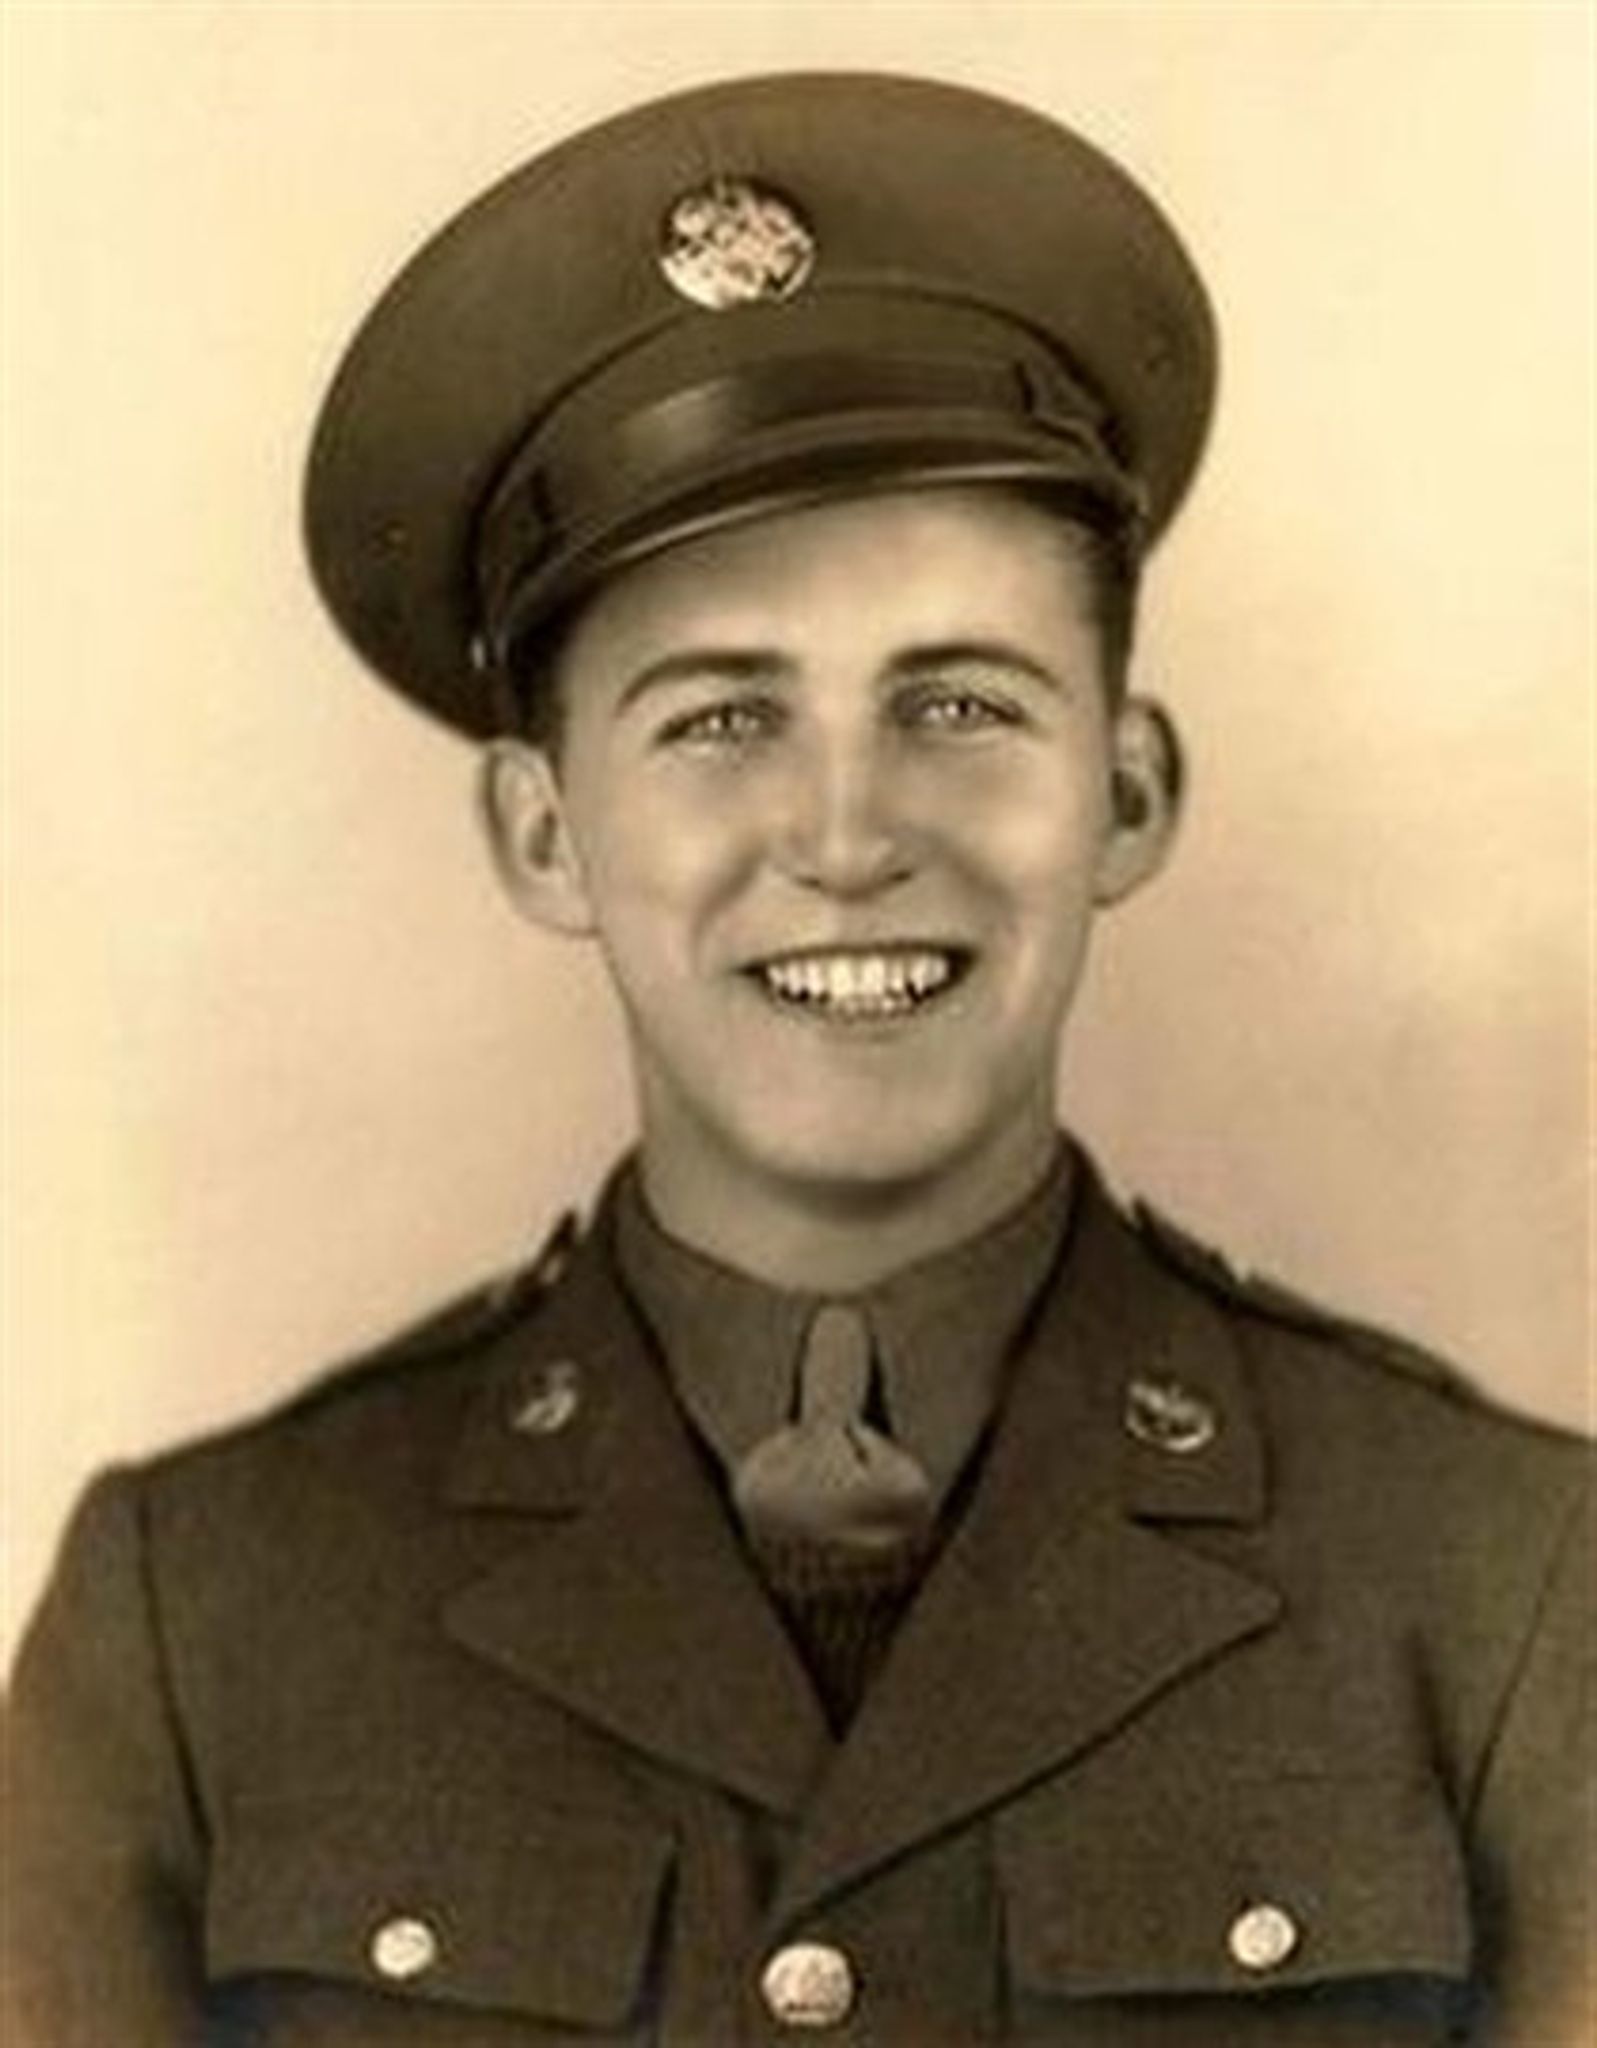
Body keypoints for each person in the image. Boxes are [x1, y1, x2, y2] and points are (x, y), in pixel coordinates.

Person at [3, 71, 1590, 2048]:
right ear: (542, 832)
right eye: (719, 719)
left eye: (958, 704)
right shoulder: (198, 1622)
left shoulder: (1505, 1582)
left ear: (1123, 791)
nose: (846, 836)